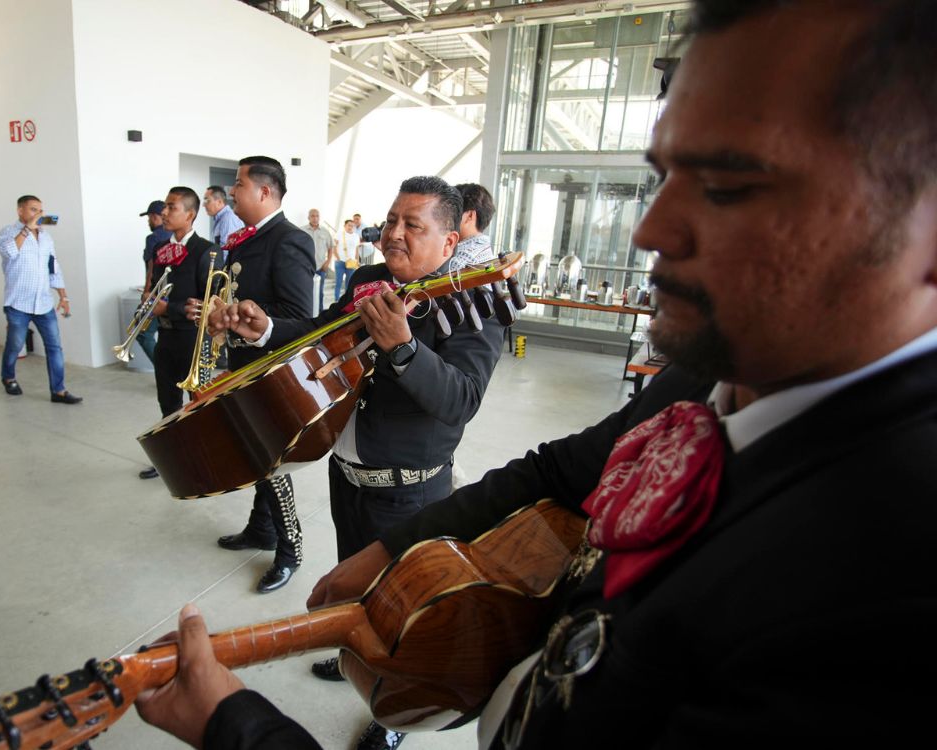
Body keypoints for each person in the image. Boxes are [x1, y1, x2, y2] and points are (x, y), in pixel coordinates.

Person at [135, 1, 937, 747]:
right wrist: (391, 550)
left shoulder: (889, 577)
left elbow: (458, 402)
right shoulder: (704, 378)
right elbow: (559, 467)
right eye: (663, 178)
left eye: (729, 184)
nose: (652, 229)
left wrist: (236, 729)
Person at [209, 175, 507, 750]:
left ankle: (391, 714)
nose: (392, 233)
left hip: (410, 492)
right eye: (391, 219)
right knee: (353, 587)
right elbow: (322, 334)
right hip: (345, 472)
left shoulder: (475, 302)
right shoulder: (370, 280)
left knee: (400, 611)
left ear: (449, 243)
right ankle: (354, 657)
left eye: (412, 225)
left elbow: (461, 400)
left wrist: (404, 347)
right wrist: (266, 328)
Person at [213, 155, 315, 594]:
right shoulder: (246, 240)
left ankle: (290, 548)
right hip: (243, 365)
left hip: (270, 370)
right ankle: (261, 529)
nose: (232, 192)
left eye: (238, 184)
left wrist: (248, 321)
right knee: (258, 457)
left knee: (272, 463)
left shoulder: (289, 240)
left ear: (264, 191)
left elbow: (297, 315)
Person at [139, 187, 222, 480]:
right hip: (167, 338)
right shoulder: (162, 250)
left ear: (190, 214)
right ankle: (172, 459)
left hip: (193, 340)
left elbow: (209, 304)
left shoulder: (207, 251)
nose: (164, 212)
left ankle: (206, 459)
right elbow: (158, 288)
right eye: (165, 207)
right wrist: (150, 299)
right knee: (168, 403)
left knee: (198, 403)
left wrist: (168, 309)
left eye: (171, 207)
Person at [0, 195, 82, 404]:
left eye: (40, 210)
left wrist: (63, 296)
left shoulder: (46, 238)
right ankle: (8, 377)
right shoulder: (8, 232)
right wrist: (27, 229)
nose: (38, 214)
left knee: (54, 347)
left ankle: (58, 391)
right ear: (20, 211)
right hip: (18, 304)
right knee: (15, 345)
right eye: (33, 209)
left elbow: (53, 268)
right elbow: (8, 252)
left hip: (43, 303)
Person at [136, 199, 171, 366]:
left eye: (149, 217)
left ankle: (164, 369)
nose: (148, 221)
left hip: (156, 295)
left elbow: (152, 267)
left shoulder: (153, 238)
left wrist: (147, 291)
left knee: (142, 333)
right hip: (172, 295)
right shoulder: (174, 235)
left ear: (155, 216)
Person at [451, 183, 496, 269]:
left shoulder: (459, 262)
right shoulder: (483, 249)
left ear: (470, 216)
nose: (445, 219)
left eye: (452, 212)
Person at [301, 208, 334, 306]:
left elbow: (331, 247)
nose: (315, 218)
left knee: (319, 292)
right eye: (312, 216)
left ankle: (320, 314)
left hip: (320, 267)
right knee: (304, 292)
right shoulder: (301, 230)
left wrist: (327, 262)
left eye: (317, 216)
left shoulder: (325, 231)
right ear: (308, 217)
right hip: (305, 267)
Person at [334, 218, 359, 302]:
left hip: (351, 262)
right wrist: (337, 258)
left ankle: (345, 301)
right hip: (340, 262)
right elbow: (334, 246)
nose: (350, 227)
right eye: (349, 225)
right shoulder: (339, 234)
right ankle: (336, 300)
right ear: (345, 226)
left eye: (352, 226)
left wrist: (357, 260)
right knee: (338, 282)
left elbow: (356, 249)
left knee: (349, 284)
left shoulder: (356, 236)